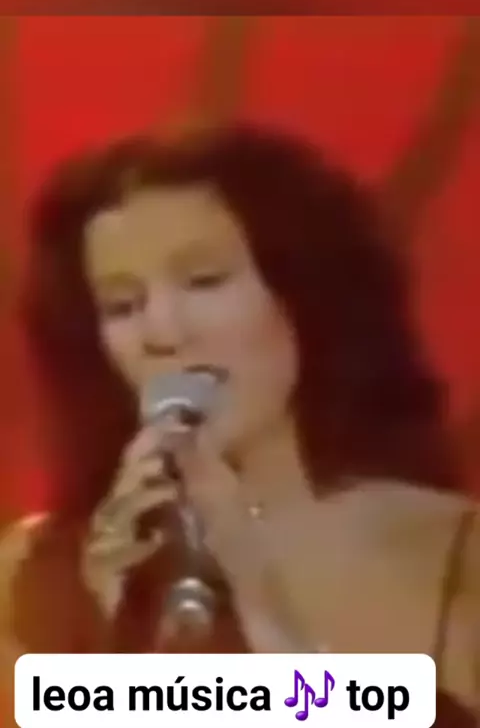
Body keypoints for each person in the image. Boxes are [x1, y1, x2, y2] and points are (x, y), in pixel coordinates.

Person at [1, 126, 478, 718]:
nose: (163, 332)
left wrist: (262, 605)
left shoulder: (453, 551)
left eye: (205, 282)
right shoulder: (37, 570)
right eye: (122, 305)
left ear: (303, 296)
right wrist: (96, 627)